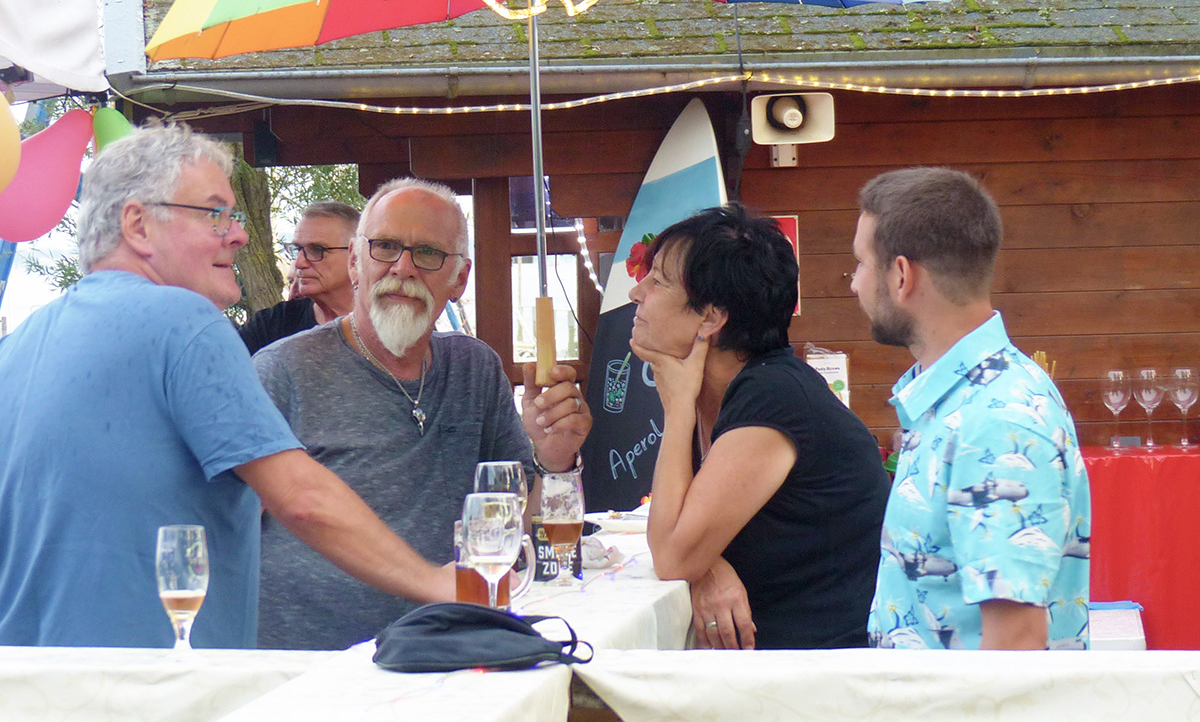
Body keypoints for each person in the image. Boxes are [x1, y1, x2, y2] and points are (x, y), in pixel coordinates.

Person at [0, 124, 457, 649]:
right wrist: (437, 584)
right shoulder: (184, 320)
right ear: (138, 225)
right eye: (214, 213)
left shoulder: (19, 346)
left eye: (235, 215)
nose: (238, 234)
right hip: (154, 692)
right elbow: (301, 498)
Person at [254, 176, 592, 650]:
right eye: (386, 247)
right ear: (355, 262)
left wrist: (553, 457)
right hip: (314, 668)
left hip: (448, 650)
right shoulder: (281, 371)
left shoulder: (475, 369)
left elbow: (525, 531)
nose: (404, 268)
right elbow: (227, 530)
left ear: (460, 279)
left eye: (428, 253)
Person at [630, 204, 890, 650]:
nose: (637, 292)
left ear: (710, 317)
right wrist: (710, 564)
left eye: (658, 281)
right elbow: (690, 541)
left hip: (830, 678)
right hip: (777, 664)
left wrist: (677, 411)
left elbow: (672, 555)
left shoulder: (775, 397)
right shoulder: (740, 390)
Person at [851, 167, 1091, 650]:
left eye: (858, 265)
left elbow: (1015, 645)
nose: (854, 284)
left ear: (901, 276)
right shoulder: (959, 403)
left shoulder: (997, 420)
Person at [239, 201, 359, 354]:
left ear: (355, 256)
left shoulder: (386, 326)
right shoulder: (271, 325)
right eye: (297, 249)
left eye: (317, 250)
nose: (300, 263)